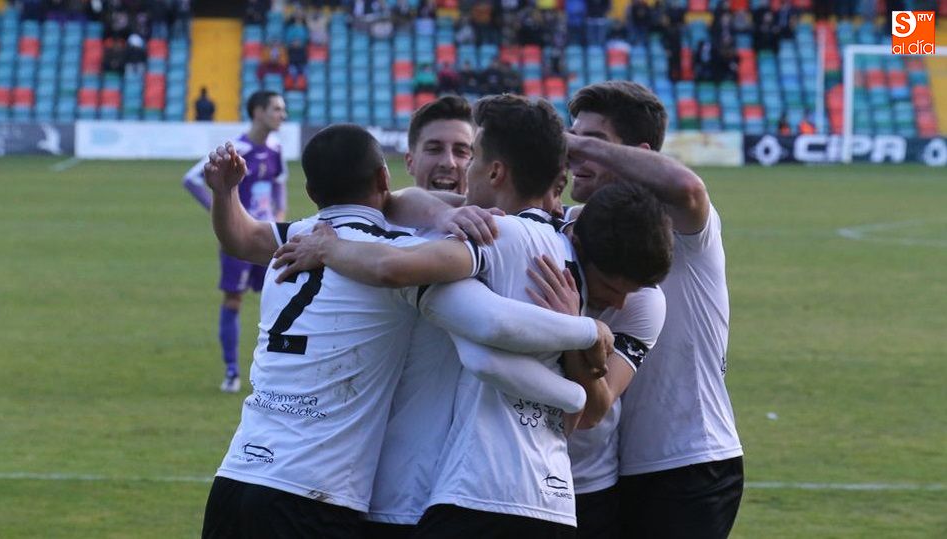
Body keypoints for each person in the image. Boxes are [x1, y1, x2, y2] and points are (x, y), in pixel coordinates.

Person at [271, 95, 674, 537]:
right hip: (554, 500)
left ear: (495, 170)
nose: (463, 168)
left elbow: (396, 269)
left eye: (472, 155)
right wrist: (579, 345)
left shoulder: (497, 235)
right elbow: (580, 409)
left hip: (476, 494)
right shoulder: (568, 250)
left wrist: (330, 247)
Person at [201, 125, 615, 539]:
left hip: (236, 476)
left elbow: (241, 237)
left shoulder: (297, 238)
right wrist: (584, 329)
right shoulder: (396, 255)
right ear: (386, 177)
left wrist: (225, 193)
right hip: (310, 492)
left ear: (310, 191)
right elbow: (491, 322)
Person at [566, 80, 743, 538]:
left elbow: (685, 185)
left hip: (689, 460)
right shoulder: (579, 226)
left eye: (594, 142)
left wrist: (568, 142)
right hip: (615, 468)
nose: (574, 153)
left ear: (641, 155)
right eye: (572, 134)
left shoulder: (681, 226)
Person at [182, 91, 288, 392]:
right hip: (240, 237)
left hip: (268, 237)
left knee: (281, 299)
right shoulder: (235, 149)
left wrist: (279, 215)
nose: (283, 115)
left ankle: (276, 372)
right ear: (258, 112)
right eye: (277, 109)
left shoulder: (277, 148)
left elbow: (278, 185)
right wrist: (224, 211)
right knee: (234, 299)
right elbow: (191, 179)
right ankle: (231, 371)